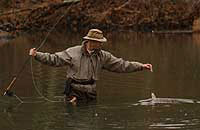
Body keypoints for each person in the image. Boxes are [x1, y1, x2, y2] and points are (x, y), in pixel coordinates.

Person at [29, 29, 153, 104]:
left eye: (101, 42)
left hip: (91, 92)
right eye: (99, 42)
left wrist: (141, 66)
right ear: (90, 41)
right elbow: (54, 59)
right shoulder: (73, 52)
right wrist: (37, 55)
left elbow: (122, 65)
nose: (100, 44)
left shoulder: (103, 56)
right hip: (74, 92)